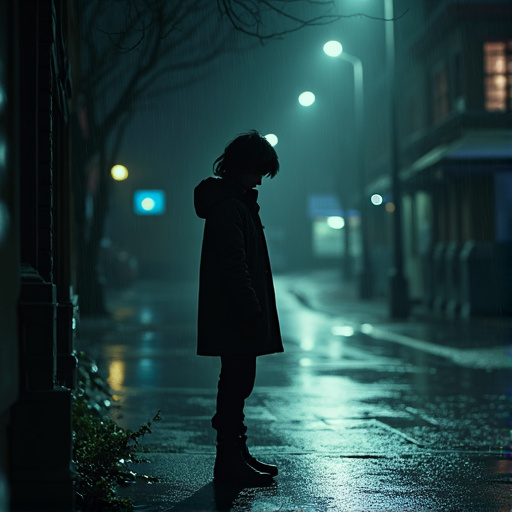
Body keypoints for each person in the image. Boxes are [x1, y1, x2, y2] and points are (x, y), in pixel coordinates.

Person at [194, 130, 284, 486]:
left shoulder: (234, 202)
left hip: (234, 313)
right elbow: (235, 266)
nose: (261, 178)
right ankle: (229, 460)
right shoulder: (231, 206)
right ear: (244, 167)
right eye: (259, 170)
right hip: (236, 315)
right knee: (235, 384)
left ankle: (234, 453)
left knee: (237, 383)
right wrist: (251, 310)